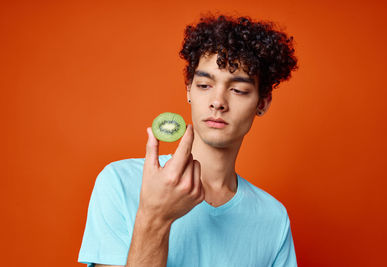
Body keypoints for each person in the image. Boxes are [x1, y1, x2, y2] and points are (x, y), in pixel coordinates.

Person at [78, 14, 298, 267]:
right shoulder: (120, 182)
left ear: (262, 102)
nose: (218, 102)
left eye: (238, 90)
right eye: (204, 85)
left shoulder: (273, 218)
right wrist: (154, 218)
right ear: (188, 89)